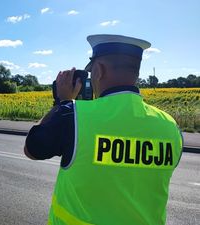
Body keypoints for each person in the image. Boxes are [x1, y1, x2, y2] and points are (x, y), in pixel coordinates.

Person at [24, 34, 183, 225]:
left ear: (98, 70)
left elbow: (31, 149)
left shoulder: (73, 115)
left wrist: (62, 102)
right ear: (137, 73)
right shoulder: (170, 126)